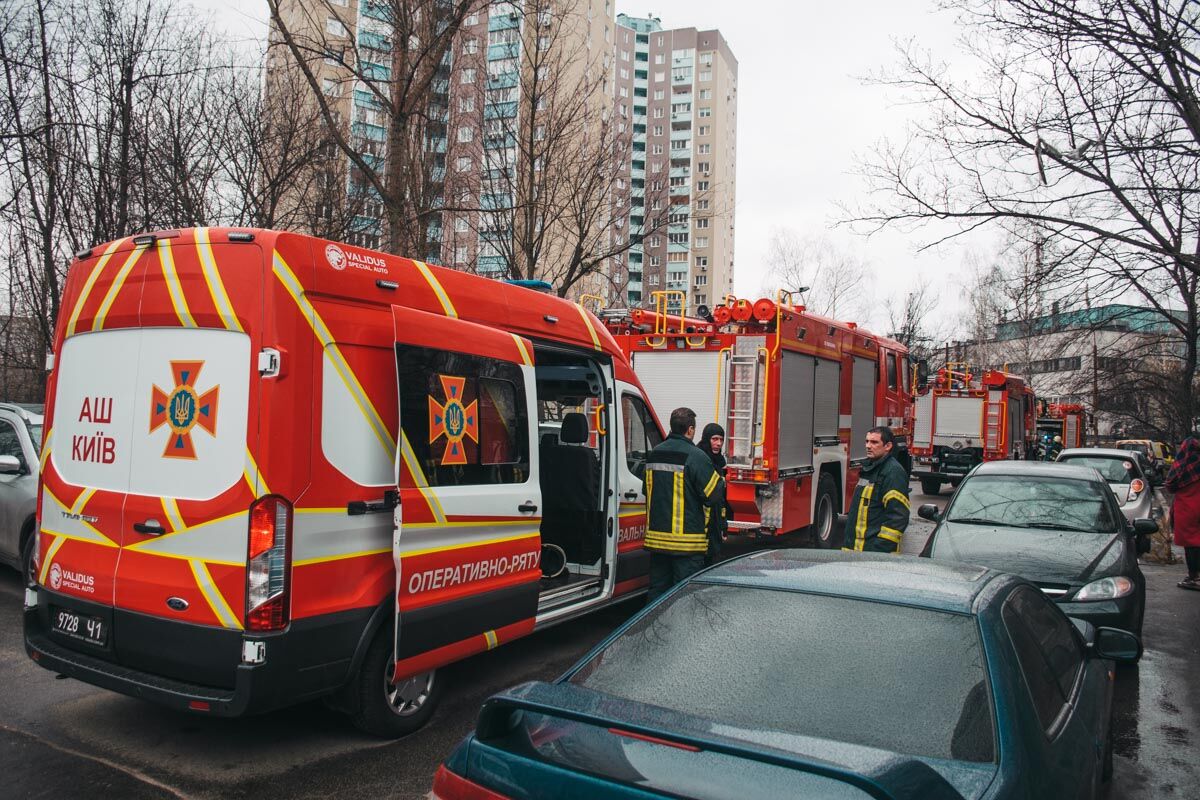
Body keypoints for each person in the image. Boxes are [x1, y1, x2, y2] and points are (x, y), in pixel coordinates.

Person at [643, 408, 725, 600]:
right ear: (690, 430)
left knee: (657, 593)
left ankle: (653, 628)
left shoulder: (654, 454)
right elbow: (713, 496)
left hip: (657, 542)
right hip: (686, 546)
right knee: (685, 596)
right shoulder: (695, 456)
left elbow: (646, 490)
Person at [843, 426, 910, 553]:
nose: (868, 446)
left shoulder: (893, 473)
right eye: (867, 441)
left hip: (874, 558)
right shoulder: (869, 469)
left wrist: (878, 551)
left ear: (888, 446)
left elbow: (897, 519)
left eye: (874, 442)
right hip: (856, 555)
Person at [1166, 433, 1200, 590]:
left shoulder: (1184, 464)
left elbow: (1171, 484)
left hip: (1188, 507)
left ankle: (1195, 576)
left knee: (1191, 544)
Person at [699, 422, 731, 565]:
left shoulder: (719, 462)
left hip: (714, 522)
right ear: (707, 439)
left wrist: (723, 525)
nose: (718, 443)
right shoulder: (699, 459)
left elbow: (721, 499)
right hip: (700, 524)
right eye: (715, 439)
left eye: (721, 440)